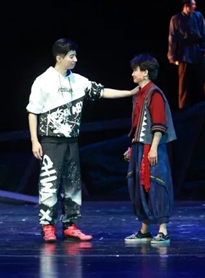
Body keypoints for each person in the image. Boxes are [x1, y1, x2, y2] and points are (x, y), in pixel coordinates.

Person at [27, 38, 139, 243]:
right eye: (71, 56)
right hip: (51, 141)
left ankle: (70, 225)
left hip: (71, 142)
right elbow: (33, 112)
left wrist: (130, 93)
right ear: (59, 58)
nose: (75, 60)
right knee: (49, 183)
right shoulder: (43, 80)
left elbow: (102, 92)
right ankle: (48, 226)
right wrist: (35, 140)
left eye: (75, 56)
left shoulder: (78, 81)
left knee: (72, 183)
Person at [123, 53, 177, 245]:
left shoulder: (154, 94)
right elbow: (138, 125)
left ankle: (163, 230)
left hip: (152, 147)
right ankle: (144, 230)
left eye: (135, 70)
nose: (133, 74)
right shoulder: (139, 94)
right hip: (140, 146)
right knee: (138, 185)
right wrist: (133, 147)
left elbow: (159, 124)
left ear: (145, 72)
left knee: (156, 184)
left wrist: (153, 148)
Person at [167, 0, 205, 110]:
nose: (195, 6)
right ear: (186, 5)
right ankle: (183, 106)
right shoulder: (175, 19)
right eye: (192, 4)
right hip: (184, 52)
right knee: (184, 81)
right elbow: (172, 38)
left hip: (197, 50)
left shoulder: (198, 16)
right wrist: (172, 56)